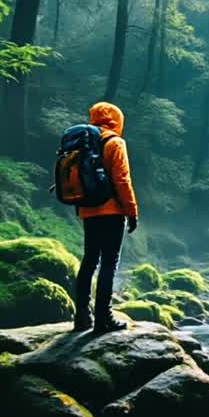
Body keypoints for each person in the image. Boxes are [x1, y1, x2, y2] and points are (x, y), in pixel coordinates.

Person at [74, 102, 139, 334]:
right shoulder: (115, 143)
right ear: (117, 120)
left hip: (87, 211)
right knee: (109, 264)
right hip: (112, 212)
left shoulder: (83, 142)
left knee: (89, 260)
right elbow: (122, 181)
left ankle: (81, 316)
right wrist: (132, 212)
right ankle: (104, 318)